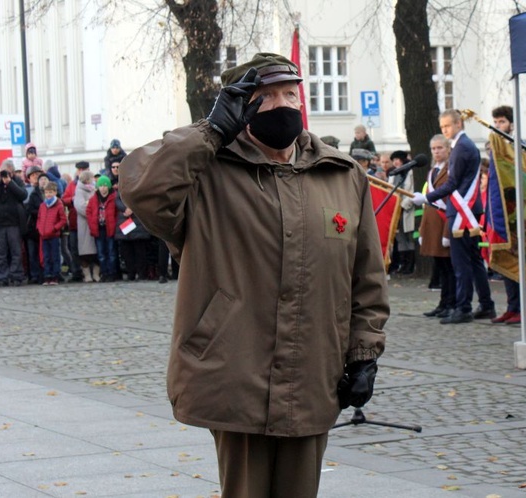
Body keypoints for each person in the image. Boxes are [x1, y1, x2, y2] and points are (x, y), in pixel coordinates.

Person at [119, 52, 389, 498]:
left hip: (313, 372)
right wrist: (209, 132)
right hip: (236, 370)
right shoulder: (207, 173)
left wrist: (364, 352)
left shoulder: (342, 175)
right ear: (239, 106)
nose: (280, 104)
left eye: (288, 93)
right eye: (263, 97)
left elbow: (367, 277)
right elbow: (142, 188)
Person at [412, 109, 495, 324]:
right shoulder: (464, 146)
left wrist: (427, 197)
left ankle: (463, 307)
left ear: (459, 124)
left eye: (448, 126)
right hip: (469, 209)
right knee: (475, 261)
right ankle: (486, 304)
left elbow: (452, 183)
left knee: (462, 263)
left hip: (462, 211)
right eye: (442, 127)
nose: (445, 130)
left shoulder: (461, 147)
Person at [488, 106, 526, 325]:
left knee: (521, 264)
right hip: (501, 215)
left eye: (502, 122)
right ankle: (512, 306)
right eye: (496, 122)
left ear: (511, 124)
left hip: (518, 214)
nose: (498, 126)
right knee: (506, 262)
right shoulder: (494, 150)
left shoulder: (518, 147)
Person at [420, 135, 456, 318]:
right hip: (432, 225)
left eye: (440, 148)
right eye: (433, 148)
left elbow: (451, 201)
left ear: (448, 149)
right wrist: (422, 229)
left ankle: (451, 302)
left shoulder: (451, 169)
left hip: (444, 224)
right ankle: (443, 303)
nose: (436, 152)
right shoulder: (432, 170)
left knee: (449, 268)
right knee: (440, 267)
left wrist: (447, 232)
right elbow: (428, 201)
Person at [0, 160, 27, 287]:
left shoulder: (17, 181)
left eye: (6, 172)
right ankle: (2, 277)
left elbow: (23, 195)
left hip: (14, 223)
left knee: (16, 251)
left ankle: (16, 276)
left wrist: (10, 183)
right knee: (0, 253)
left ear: (12, 172)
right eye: (2, 171)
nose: (4, 174)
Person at [62, 161, 91, 282]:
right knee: (74, 249)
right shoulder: (72, 185)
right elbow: (64, 199)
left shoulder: (91, 184)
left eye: (84, 169)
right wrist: (73, 199)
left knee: (88, 249)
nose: (82, 171)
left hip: (87, 223)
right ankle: (76, 272)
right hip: (74, 222)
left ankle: (89, 271)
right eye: (80, 170)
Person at [86, 175, 117, 282]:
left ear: (108, 187)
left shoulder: (114, 197)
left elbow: (116, 213)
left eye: (105, 186)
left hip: (110, 228)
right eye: (101, 186)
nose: (103, 188)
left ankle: (112, 273)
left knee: (111, 252)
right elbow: (89, 212)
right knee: (101, 253)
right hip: (99, 229)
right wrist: (91, 223)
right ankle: (104, 273)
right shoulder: (94, 199)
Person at [390, 150, 416, 274]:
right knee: (399, 237)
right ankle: (403, 264)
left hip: (406, 209)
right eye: (393, 160)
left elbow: (410, 191)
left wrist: (403, 205)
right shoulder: (393, 174)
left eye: (397, 159)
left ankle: (410, 264)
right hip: (395, 210)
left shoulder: (409, 172)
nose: (395, 162)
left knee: (408, 236)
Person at [37, 182, 67, 285]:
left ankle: (55, 276)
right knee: (46, 257)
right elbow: (39, 218)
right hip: (44, 235)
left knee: (55, 256)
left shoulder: (59, 204)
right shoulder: (42, 205)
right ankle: (47, 275)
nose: (48, 194)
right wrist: (40, 228)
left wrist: (55, 228)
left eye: (50, 192)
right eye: (46, 192)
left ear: (55, 192)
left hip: (54, 235)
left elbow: (63, 220)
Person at [73, 170, 99, 283]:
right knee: (85, 251)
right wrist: (92, 209)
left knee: (96, 250)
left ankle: (96, 274)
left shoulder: (94, 189)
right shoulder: (79, 191)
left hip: (96, 222)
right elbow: (80, 207)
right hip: (85, 224)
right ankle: (87, 275)